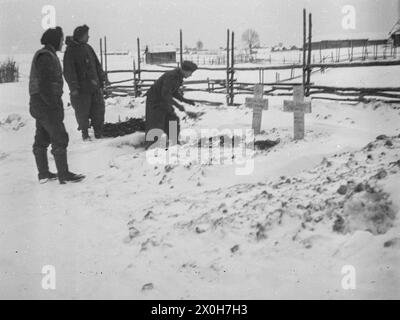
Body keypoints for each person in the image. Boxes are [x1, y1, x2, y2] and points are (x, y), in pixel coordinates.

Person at [29, 27, 85, 184]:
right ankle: (63, 174)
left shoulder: (45, 54)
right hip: (46, 104)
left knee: (42, 138)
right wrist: (53, 105)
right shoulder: (46, 57)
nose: (62, 42)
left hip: (40, 103)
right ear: (55, 41)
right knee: (59, 137)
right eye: (60, 39)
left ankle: (44, 174)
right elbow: (45, 83)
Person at [63, 25, 106, 141]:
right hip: (82, 90)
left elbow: (97, 65)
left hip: (94, 87)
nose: (89, 36)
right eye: (87, 35)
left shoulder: (88, 48)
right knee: (83, 112)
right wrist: (74, 87)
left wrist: (102, 78)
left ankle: (98, 132)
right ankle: (85, 134)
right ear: (81, 36)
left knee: (98, 110)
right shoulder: (70, 51)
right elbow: (69, 71)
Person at [145, 61, 198, 149]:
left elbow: (173, 92)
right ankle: (151, 146)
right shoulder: (171, 76)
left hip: (164, 101)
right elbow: (165, 94)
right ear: (185, 70)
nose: (191, 75)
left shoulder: (178, 77)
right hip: (155, 101)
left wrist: (185, 100)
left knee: (173, 119)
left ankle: (174, 144)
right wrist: (178, 106)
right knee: (156, 123)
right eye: (191, 72)